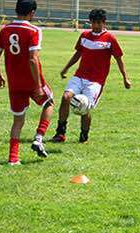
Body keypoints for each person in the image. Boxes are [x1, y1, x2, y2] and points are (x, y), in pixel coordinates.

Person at [51, 9, 131, 143]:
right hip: (79, 76)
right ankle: (60, 133)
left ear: (104, 23)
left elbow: (119, 59)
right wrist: (66, 68)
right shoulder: (84, 36)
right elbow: (78, 54)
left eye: (98, 23)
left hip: (96, 81)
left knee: (85, 106)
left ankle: (83, 136)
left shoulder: (110, 39)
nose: (95, 26)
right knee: (66, 97)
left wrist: (125, 78)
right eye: (93, 23)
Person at [0, 0, 54, 165]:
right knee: (49, 103)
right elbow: (33, 59)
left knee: (18, 121)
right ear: (32, 12)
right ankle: (39, 138)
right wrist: (38, 85)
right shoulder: (34, 30)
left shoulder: (4, 30)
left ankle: (13, 159)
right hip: (32, 81)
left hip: (14, 82)